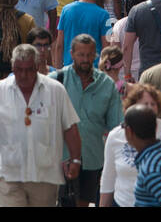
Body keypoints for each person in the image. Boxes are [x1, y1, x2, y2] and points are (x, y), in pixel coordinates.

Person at [0, 43, 82, 207]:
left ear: (36, 67)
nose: (23, 74)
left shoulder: (56, 90)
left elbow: (70, 127)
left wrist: (76, 160)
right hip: (9, 173)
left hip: (45, 174)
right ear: (13, 68)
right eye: (19, 69)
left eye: (28, 69)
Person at [52, 33, 122, 207]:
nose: (85, 59)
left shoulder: (106, 85)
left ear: (95, 55)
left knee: (83, 203)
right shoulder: (57, 81)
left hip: (92, 158)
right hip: (61, 158)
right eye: (80, 55)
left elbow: (116, 125)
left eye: (89, 55)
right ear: (72, 54)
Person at [55, 0, 111, 67]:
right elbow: (106, 47)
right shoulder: (104, 15)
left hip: (70, 66)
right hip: (93, 69)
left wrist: (58, 70)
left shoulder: (66, 10)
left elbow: (60, 44)